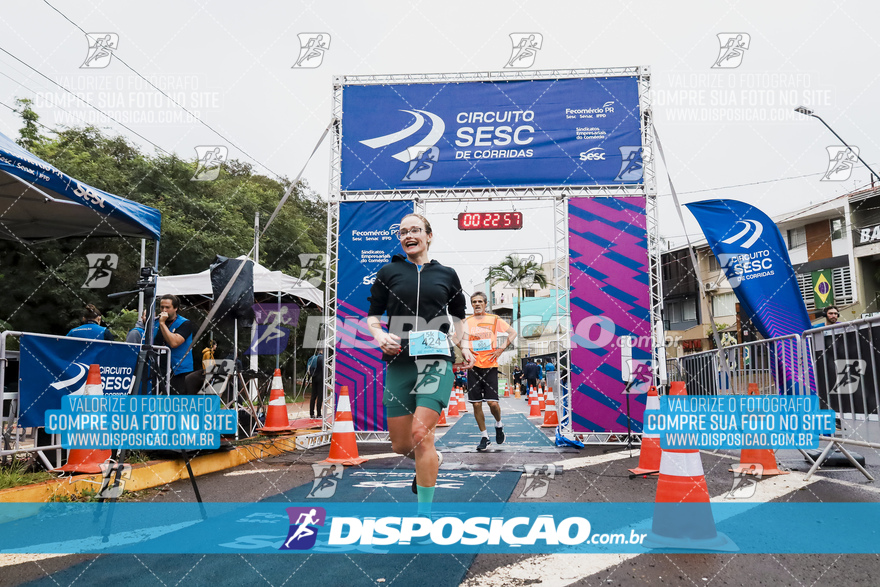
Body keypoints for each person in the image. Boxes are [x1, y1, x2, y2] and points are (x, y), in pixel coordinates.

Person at [367, 213, 472, 514]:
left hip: (435, 361)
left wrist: (461, 345)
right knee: (401, 445)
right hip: (399, 361)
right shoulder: (388, 272)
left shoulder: (447, 274)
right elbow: (373, 315)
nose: (408, 235)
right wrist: (378, 334)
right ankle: (433, 460)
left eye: (415, 230)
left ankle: (423, 516)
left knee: (420, 435)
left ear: (428, 235)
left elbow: (459, 317)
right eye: (402, 232)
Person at [463, 292, 516, 452]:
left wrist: (500, 349)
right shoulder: (466, 321)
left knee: (493, 403)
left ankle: (499, 424)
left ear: (485, 304)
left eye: (480, 301)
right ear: (471, 304)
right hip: (473, 367)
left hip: (491, 366)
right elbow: (455, 338)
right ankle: (484, 437)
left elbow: (513, 333)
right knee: (476, 404)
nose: (477, 304)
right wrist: (466, 352)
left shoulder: (494, 319)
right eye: (474, 302)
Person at [154, 294, 194, 395]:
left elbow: (174, 343)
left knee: (176, 403)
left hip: (178, 371)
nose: (164, 310)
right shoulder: (154, 323)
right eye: (162, 307)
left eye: (167, 307)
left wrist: (162, 324)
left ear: (175, 308)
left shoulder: (185, 323)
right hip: (159, 368)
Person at [307, 349, 324, 419]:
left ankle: (311, 413)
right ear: (322, 350)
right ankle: (319, 414)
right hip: (320, 379)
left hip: (314, 378)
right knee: (320, 396)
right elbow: (323, 369)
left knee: (313, 396)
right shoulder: (322, 358)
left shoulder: (313, 358)